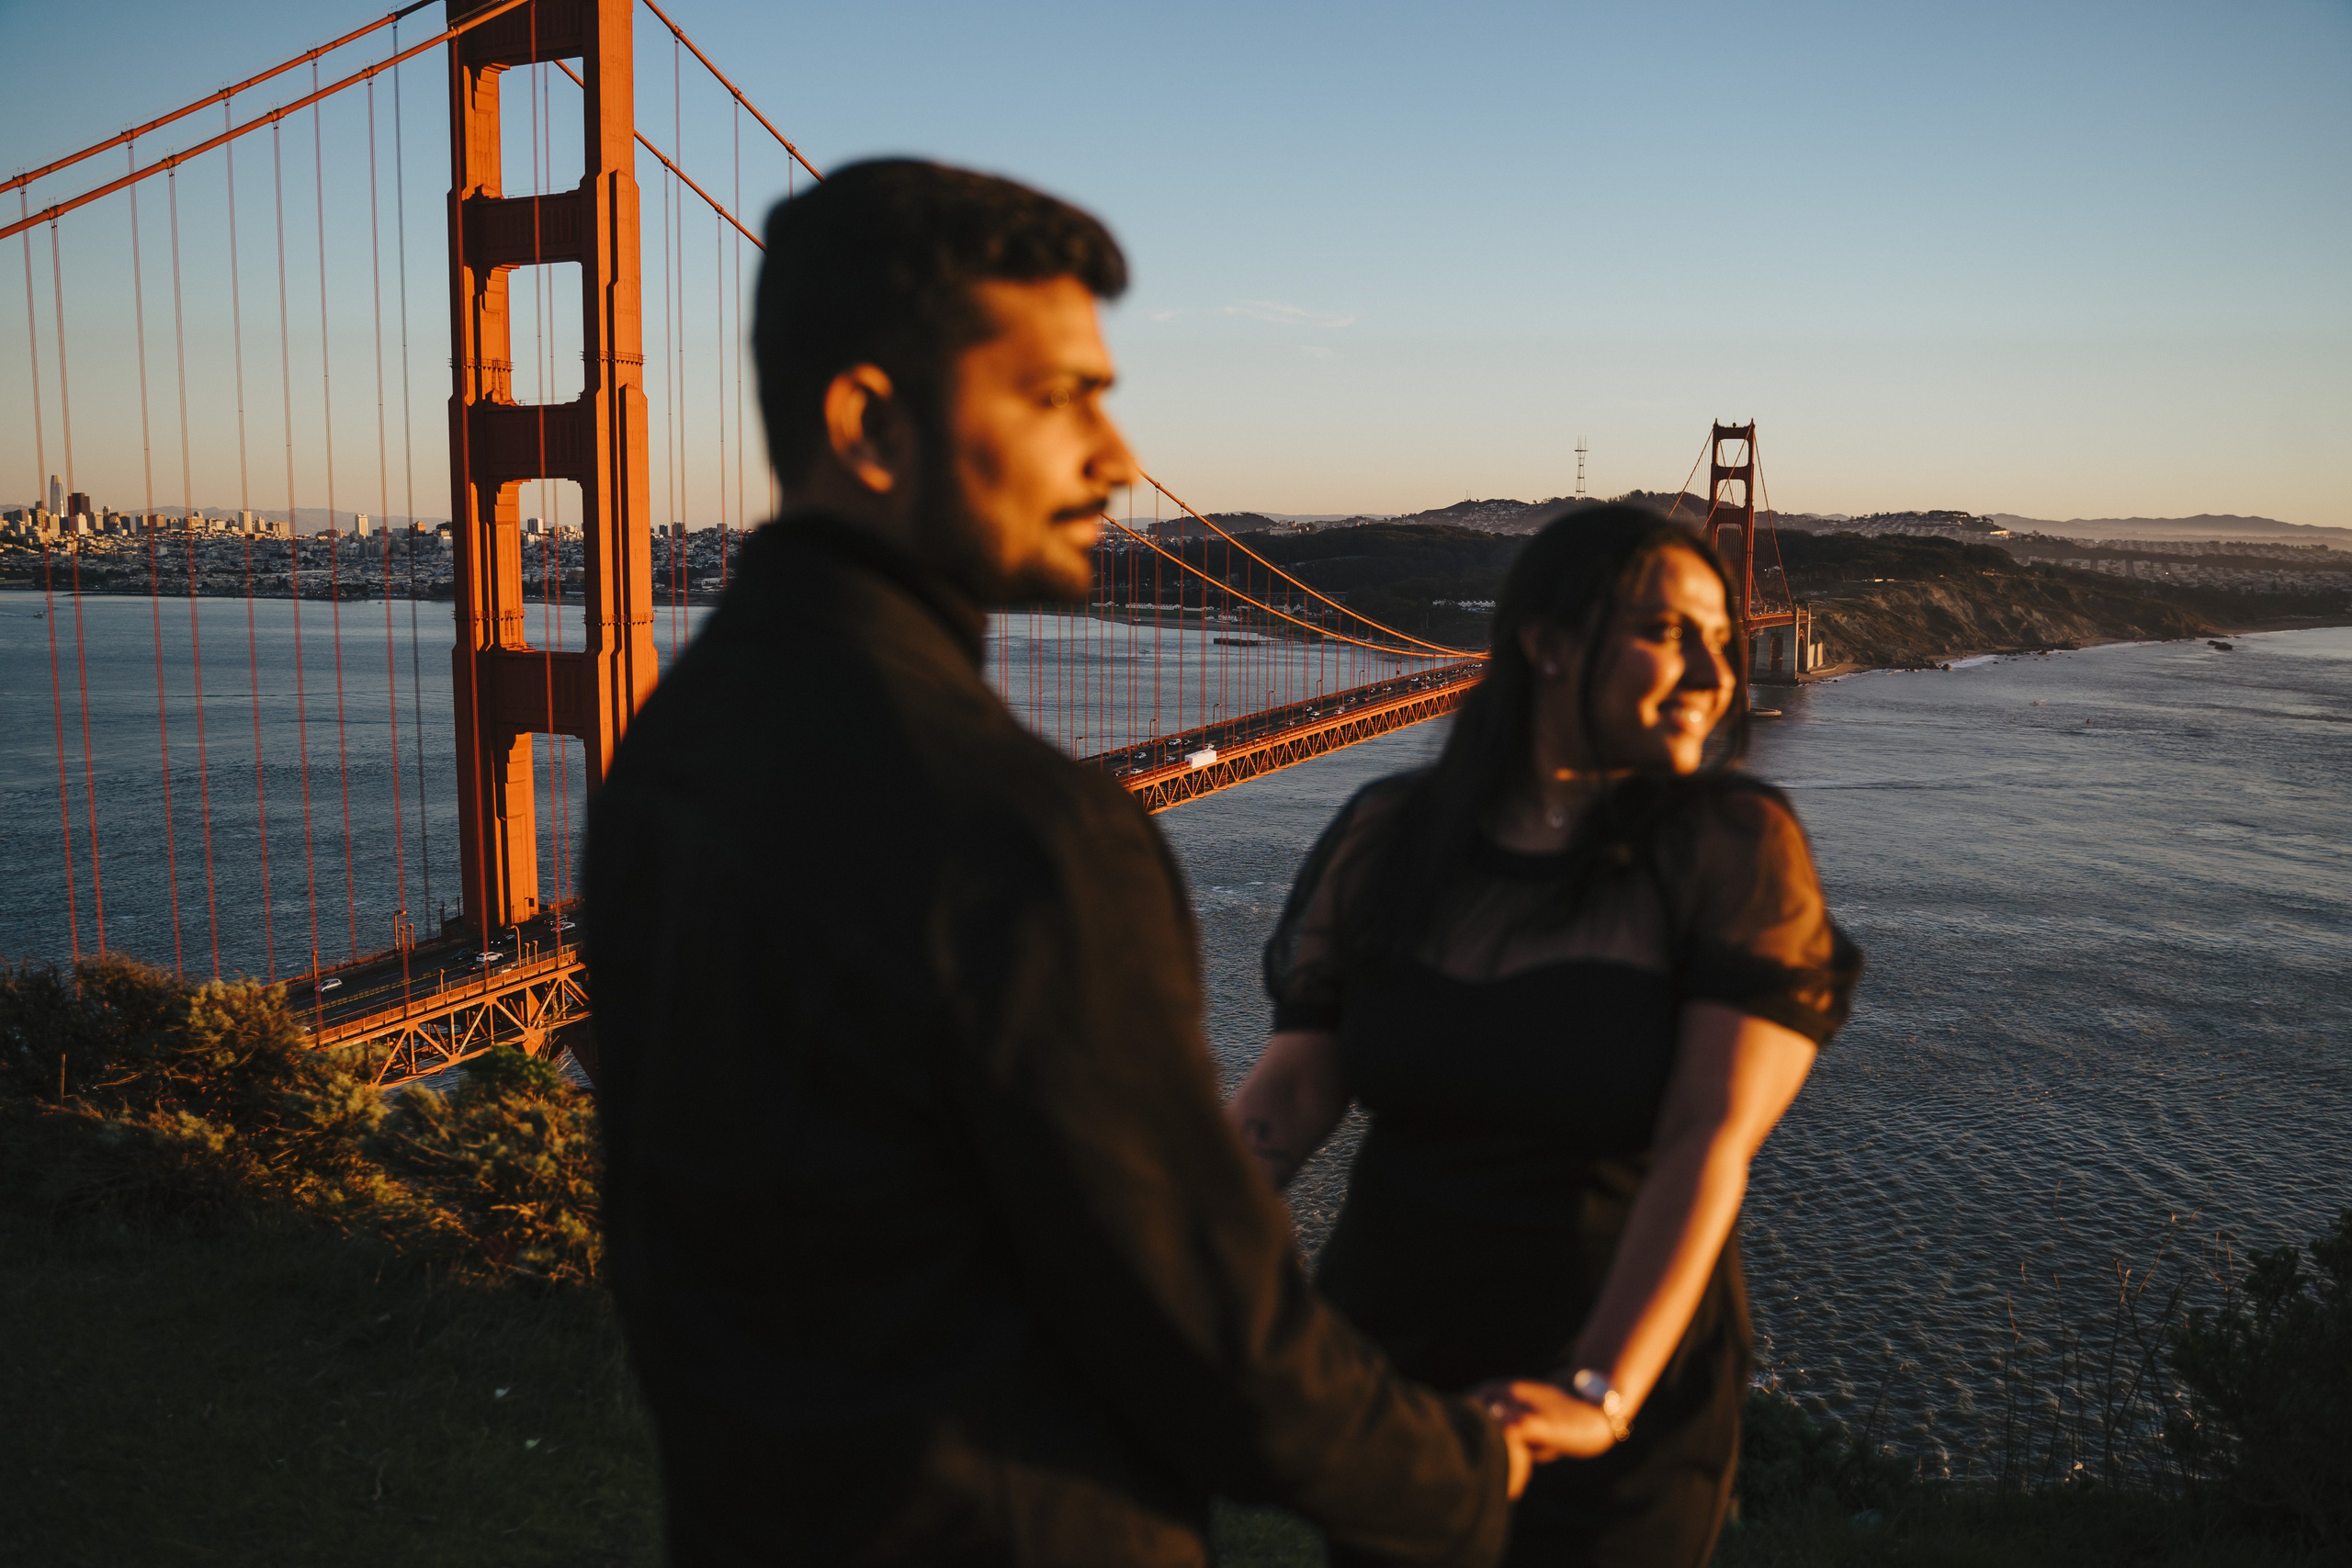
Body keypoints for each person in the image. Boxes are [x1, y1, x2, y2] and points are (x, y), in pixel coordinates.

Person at [586, 159, 1527, 1568]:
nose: (1109, 457)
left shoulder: (668, 756)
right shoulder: (1029, 834)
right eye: (1061, 396)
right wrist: (1472, 1470)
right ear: (870, 422)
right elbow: (1216, 1342)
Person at [1228, 505, 1862, 1566]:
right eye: (1670, 634)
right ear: (1548, 640)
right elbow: (1286, 1099)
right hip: (1391, 1376)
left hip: (1615, 1395)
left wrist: (1596, 1393)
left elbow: (1706, 1138)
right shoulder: (1390, 833)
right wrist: (1133, 1273)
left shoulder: (1729, 850)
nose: (1716, 672)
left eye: (1723, 638)